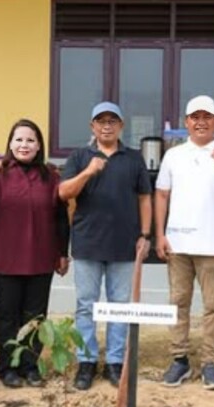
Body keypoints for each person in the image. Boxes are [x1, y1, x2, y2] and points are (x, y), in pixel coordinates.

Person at [155, 95, 214, 390]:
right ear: (186, 122)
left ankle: (211, 362)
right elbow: (162, 194)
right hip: (178, 244)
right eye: (194, 117)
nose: (200, 122)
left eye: (206, 117)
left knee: (213, 306)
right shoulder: (174, 155)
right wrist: (159, 234)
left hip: (212, 245)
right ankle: (180, 359)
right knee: (178, 303)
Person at [59, 102, 152, 390]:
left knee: (119, 306)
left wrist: (145, 235)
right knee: (86, 306)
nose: (107, 125)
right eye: (101, 121)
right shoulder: (79, 157)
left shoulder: (133, 158)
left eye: (113, 121)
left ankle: (115, 362)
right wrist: (88, 171)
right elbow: (64, 192)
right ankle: (86, 361)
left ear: (121, 126)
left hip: (125, 244)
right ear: (92, 127)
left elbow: (144, 198)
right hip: (88, 243)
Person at [0, 119, 70, 388]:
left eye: (30, 140)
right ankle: (8, 368)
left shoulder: (51, 176)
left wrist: (63, 252)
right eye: (19, 140)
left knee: (35, 318)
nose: (24, 145)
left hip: (41, 258)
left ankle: (31, 366)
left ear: (39, 146)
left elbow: (61, 217)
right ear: (10, 144)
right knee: (7, 316)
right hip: (5, 259)